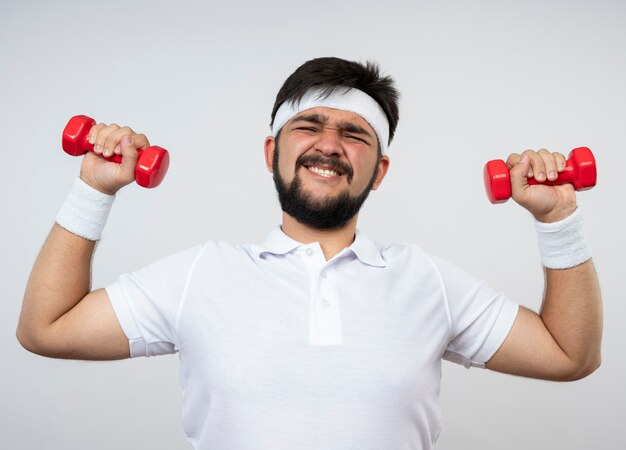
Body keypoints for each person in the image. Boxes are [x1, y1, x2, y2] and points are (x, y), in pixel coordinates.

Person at [17, 57, 602, 449]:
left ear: (380, 171)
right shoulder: (203, 274)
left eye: (355, 134)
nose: (329, 144)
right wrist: (92, 187)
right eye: (310, 125)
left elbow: (567, 356)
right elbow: (47, 329)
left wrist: (558, 220)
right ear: (272, 150)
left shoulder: (426, 282)